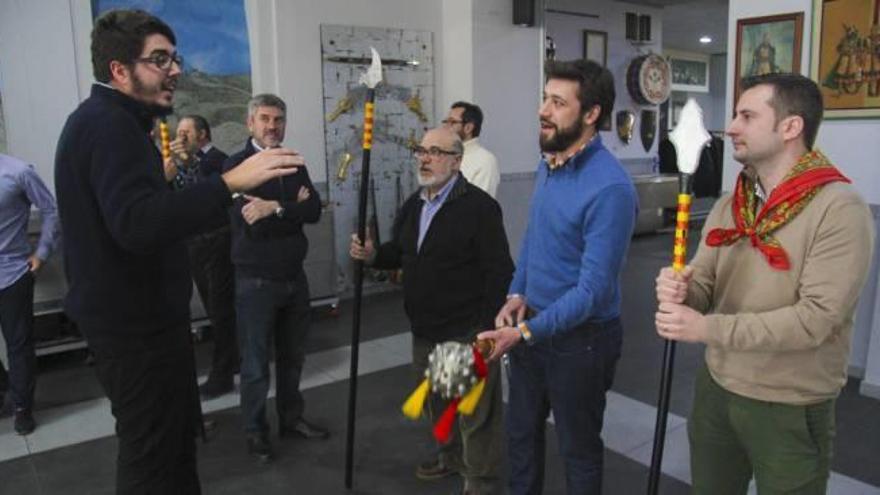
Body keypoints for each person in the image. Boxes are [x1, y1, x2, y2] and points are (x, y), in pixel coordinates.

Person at [54, 10, 303, 493]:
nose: (175, 70)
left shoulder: (110, 122)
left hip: (140, 320)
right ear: (119, 70)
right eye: (159, 59)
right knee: (154, 456)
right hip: (135, 328)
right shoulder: (109, 126)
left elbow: (132, 213)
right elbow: (138, 225)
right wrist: (230, 183)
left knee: (169, 449)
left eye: (175, 58)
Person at [654, 73, 875, 494]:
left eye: (747, 116)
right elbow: (703, 282)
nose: (731, 127)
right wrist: (683, 291)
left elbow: (816, 320)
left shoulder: (840, 209)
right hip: (717, 388)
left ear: (791, 127)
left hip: (789, 402)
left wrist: (705, 329)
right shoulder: (732, 203)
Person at [478, 59, 638, 494]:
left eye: (557, 102)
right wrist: (517, 292)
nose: (542, 110)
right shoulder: (550, 162)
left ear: (591, 115)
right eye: (544, 98)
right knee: (521, 435)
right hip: (534, 327)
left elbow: (591, 292)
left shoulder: (610, 188)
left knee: (578, 450)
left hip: (583, 342)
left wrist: (524, 332)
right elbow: (535, 234)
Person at [350, 127, 513, 494]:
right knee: (440, 403)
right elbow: (404, 252)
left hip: (464, 328)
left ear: (456, 161)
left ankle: (481, 482)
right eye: (421, 150)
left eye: (436, 152)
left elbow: (500, 270)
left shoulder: (478, 209)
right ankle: (451, 459)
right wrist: (374, 254)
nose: (425, 158)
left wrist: (486, 331)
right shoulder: (416, 204)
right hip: (425, 328)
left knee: (473, 412)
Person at [225, 93, 327, 464]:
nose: (272, 126)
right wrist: (289, 210)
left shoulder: (291, 162)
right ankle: (255, 431)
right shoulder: (236, 166)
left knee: (292, 357)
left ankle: (291, 419)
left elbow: (314, 209)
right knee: (254, 365)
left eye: (279, 119)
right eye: (265, 119)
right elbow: (249, 218)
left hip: (293, 278)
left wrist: (278, 207)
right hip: (255, 281)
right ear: (250, 122)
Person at [167, 115, 239, 399]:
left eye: (186, 132)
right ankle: (232, 361)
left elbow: (209, 196)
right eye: (179, 132)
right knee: (213, 308)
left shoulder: (219, 161)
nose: (181, 137)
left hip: (217, 243)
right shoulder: (185, 163)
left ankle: (222, 375)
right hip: (195, 243)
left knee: (222, 311)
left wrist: (188, 164)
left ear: (203, 135)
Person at [0, 153, 59, 435]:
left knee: (18, 343)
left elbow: (50, 209)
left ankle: (23, 407)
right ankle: (5, 391)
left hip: (13, 273)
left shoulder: (18, 172)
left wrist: (43, 252)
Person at [442, 101, 501, 198]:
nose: (445, 127)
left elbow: (480, 204)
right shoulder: (445, 156)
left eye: (452, 122)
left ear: (468, 128)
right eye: (445, 122)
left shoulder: (485, 161)